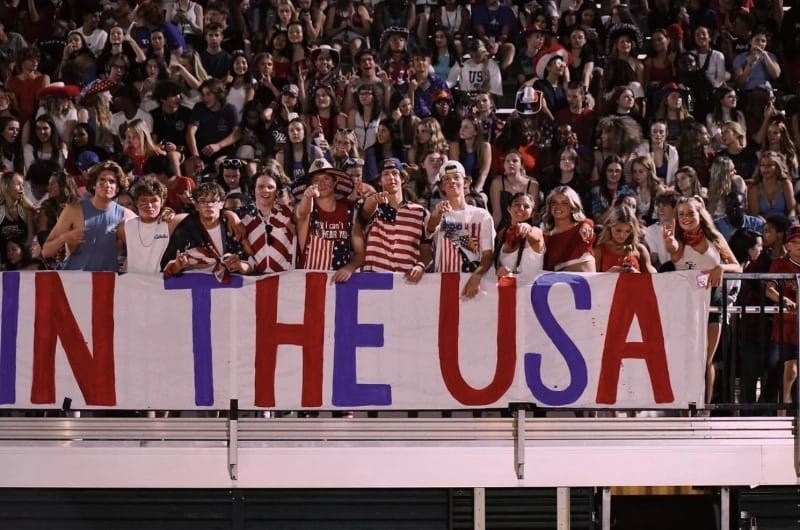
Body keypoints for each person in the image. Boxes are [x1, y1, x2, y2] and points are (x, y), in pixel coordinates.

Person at [662, 196, 741, 404]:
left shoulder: (715, 238)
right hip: (685, 304)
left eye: (690, 213)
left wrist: (721, 267)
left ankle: (703, 407)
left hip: (713, 301)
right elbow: (672, 248)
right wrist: (668, 241)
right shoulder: (677, 242)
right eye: (681, 215)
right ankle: (684, 406)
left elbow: (737, 266)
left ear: (700, 214)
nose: (686, 218)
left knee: (706, 359)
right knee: (686, 358)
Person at [42, 160, 136, 271]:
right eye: (102, 179)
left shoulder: (126, 215)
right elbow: (46, 252)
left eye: (112, 181)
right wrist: (64, 238)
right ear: (93, 185)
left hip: (106, 282)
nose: (107, 184)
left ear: (118, 188)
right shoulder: (74, 210)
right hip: (74, 279)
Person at [425, 160, 495, 298]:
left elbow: (488, 255)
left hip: (474, 286)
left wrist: (477, 277)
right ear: (442, 186)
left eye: (456, 177)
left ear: (466, 182)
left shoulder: (481, 215)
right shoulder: (439, 215)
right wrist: (437, 213)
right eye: (446, 179)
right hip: (445, 285)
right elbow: (430, 228)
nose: (452, 182)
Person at [360, 158, 431, 280]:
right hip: (373, 281)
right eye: (385, 174)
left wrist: (420, 266)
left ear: (402, 179)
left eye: (395, 173)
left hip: (405, 282)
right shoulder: (373, 208)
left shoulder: (419, 212)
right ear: (379, 181)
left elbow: (426, 250)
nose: (390, 177)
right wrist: (372, 200)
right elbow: (365, 212)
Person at [161, 182, 249, 281]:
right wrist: (177, 266)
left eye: (213, 201)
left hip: (232, 290)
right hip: (197, 288)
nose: (209, 205)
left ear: (222, 204)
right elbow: (165, 267)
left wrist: (241, 266)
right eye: (203, 201)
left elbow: (251, 262)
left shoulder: (233, 225)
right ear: (196, 205)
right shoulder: (185, 228)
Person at [296, 158, 364, 282]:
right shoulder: (305, 211)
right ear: (310, 186)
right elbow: (303, 212)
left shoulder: (350, 211)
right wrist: (307, 196)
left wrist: (350, 267)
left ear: (335, 182)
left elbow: (360, 253)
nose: (321, 183)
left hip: (340, 284)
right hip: (308, 283)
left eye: (326, 178)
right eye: (316, 180)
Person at [765, 224, 800, 412]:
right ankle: (782, 413)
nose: (799, 245)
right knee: (790, 372)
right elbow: (769, 289)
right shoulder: (779, 264)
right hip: (787, 328)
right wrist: (785, 300)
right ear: (787, 245)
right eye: (794, 242)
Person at [239, 168, 297, 274]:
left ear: (277, 192)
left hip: (287, 279)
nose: (266, 190)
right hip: (255, 280)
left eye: (270, 187)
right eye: (261, 186)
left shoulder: (289, 213)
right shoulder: (243, 218)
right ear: (253, 190)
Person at [119, 177, 172, 274]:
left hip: (159, 284)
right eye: (144, 200)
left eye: (154, 200)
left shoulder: (169, 223)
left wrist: (171, 212)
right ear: (136, 202)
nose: (149, 205)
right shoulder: (125, 225)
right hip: (132, 284)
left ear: (162, 202)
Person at [493, 192, 545, 285]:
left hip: (530, 293)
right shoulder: (502, 234)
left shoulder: (536, 231)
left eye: (526, 206)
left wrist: (527, 228)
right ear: (509, 209)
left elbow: (536, 235)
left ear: (532, 213)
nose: (521, 208)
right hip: (507, 293)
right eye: (517, 204)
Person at [186, 79, 241, 165]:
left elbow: (237, 133)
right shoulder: (199, 107)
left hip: (224, 154)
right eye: (203, 95)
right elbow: (191, 131)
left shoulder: (230, 109)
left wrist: (218, 146)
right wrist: (195, 156)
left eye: (208, 94)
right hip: (202, 154)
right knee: (190, 165)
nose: (205, 98)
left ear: (218, 94)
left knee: (219, 163)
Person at [542, 185, 595, 272]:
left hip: (585, 282)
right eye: (554, 202)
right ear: (549, 206)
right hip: (557, 283)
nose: (558, 206)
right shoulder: (545, 235)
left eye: (564, 203)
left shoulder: (583, 228)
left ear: (572, 207)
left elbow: (588, 223)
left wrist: (586, 224)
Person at [594, 204, 655, 273]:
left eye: (627, 231)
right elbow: (593, 281)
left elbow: (653, 280)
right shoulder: (600, 250)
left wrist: (637, 275)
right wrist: (608, 275)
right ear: (610, 226)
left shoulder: (639, 250)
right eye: (618, 230)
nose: (622, 235)